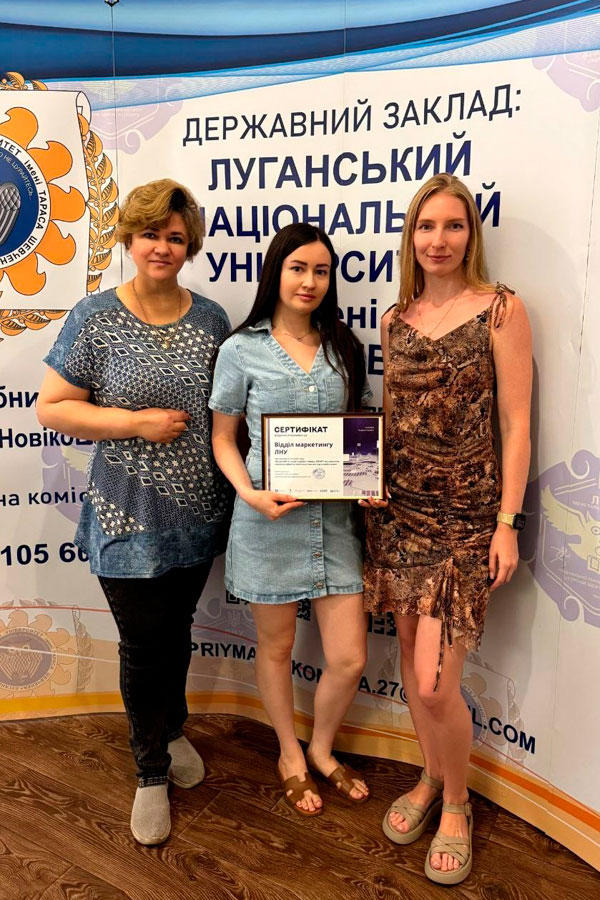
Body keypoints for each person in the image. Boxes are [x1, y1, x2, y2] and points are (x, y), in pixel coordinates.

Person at [36, 179, 231, 846]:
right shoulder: (95, 316)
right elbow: (53, 406)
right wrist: (132, 422)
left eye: (175, 237)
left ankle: (170, 730)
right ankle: (150, 770)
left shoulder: (211, 319)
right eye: (150, 234)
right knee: (144, 646)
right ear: (128, 238)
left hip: (198, 512)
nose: (162, 247)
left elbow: (226, 411)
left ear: (189, 245)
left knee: (176, 633)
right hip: (127, 516)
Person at [363, 173, 532, 885]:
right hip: (398, 515)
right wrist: (365, 478)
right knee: (410, 658)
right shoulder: (394, 319)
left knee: (435, 685)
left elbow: (516, 426)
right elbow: (391, 418)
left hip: (466, 521)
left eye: (453, 225)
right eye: (426, 226)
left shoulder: (501, 310)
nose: (439, 239)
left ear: (471, 234)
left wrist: (507, 522)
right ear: (411, 236)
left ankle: (457, 803)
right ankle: (431, 775)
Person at [209, 223, 376, 816]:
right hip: (267, 523)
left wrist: (367, 479)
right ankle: (289, 755)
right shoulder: (240, 349)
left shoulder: (344, 345)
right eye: (298, 268)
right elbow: (223, 438)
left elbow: (357, 431)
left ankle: (322, 749)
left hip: (334, 524)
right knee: (276, 649)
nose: (310, 281)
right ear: (276, 273)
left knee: (350, 657)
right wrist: (250, 494)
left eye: (321, 271)